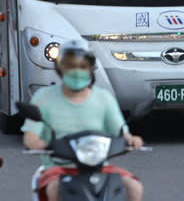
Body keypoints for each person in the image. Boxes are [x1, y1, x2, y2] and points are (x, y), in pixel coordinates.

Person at [22, 40, 144, 201]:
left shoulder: (104, 98)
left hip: (101, 168)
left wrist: (131, 140)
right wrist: (41, 144)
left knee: (134, 187)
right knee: (55, 189)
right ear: (60, 68)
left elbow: (121, 131)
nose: (77, 71)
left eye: (82, 66)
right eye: (70, 66)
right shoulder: (43, 97)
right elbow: (30, 137)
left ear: (90, 69)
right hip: (59, 169)